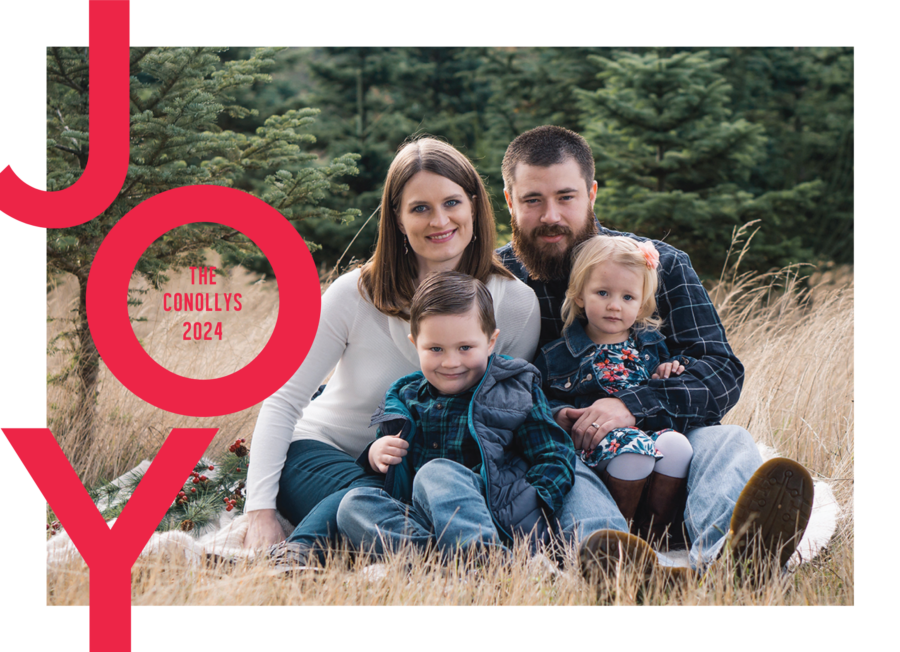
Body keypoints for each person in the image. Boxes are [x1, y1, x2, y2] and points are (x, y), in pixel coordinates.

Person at [495, 125, 813, 576]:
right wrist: (556, 417)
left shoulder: (657, 264)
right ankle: (623, 571)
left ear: (591, 193)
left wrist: (631, 405)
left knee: (731, 442)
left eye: (566, 197)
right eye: (532, 200)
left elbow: (721, 371)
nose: (551, 215)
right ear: (509, 201)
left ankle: (734, 563)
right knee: (569, 473)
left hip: (670, 440)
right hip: (571, 450)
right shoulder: (496, 283)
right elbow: (482, 385)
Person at [243, 138, 541, 568]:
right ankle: (295, 556)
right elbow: (284, 399)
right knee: (370, 497)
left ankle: (444, 559)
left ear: (474, 205)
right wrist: (260, 512)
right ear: (398, 219)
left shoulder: (514, 304)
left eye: (452, 202)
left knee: (411, 500)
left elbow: (503, 414)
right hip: (325, 452)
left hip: (430, 474)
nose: (440, 220)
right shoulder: (354, 293)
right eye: (419, 208)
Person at [336, 271, 576, 559]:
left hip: (495, 510)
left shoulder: (514, 389)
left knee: (437, 472)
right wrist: (377, 454)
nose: (451, 362)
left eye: (465, 348)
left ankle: (485, 561)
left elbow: (554, 454)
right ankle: (439, 563)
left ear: (490, 342)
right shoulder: (406, 397)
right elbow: (390, 467)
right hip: (424, 516)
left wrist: (532, 502)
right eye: (435, 349)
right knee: (354, 504)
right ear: (416, 345)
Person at [534, 235, 694, 547]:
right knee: (632, 450)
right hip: (594, 445)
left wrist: (666, 373)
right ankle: (620, 538)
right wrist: (559, 414)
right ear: (580, 295)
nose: (613, 306)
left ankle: (656, 536)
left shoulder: (652, 345)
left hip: (648, 433)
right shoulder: (558, 354)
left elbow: (665, 395)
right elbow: (537, 399)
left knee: (677, 446)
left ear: (642, 303)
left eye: (627, 298)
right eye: (603, 293)